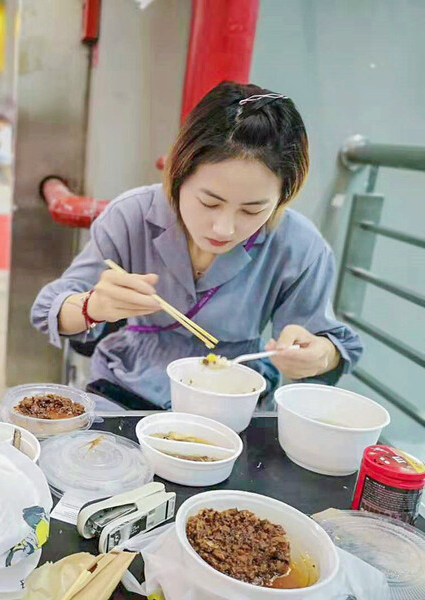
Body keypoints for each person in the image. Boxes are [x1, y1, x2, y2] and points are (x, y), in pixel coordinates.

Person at [31, 82, 362, 410]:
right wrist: (92, 307)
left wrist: (319, 355)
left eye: (252, 210)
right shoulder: (132, 215)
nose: (223, 228)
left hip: (234, 401)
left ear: (282, 198)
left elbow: (335, 347)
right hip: (125, 390)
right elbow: (49, 310)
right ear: (178, 175)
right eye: (209, 202)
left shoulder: (298, 245)